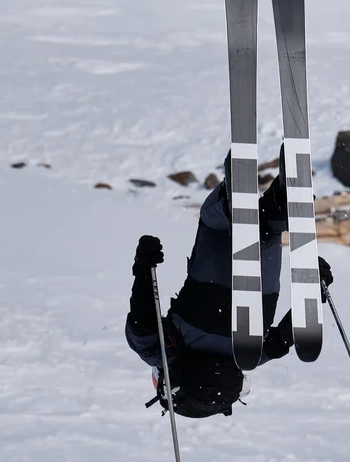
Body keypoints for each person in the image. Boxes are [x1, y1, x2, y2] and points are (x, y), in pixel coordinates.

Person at [125, 169, 331, 418]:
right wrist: (144, 267)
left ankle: (278, 208)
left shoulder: (246, 359)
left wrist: (313, 291)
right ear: (162, 380)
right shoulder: (161, 355)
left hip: (260, 302)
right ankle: (229, 205)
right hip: (206, 295)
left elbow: (283, 340)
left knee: (265, 231)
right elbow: (141, 324)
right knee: (215, 224)